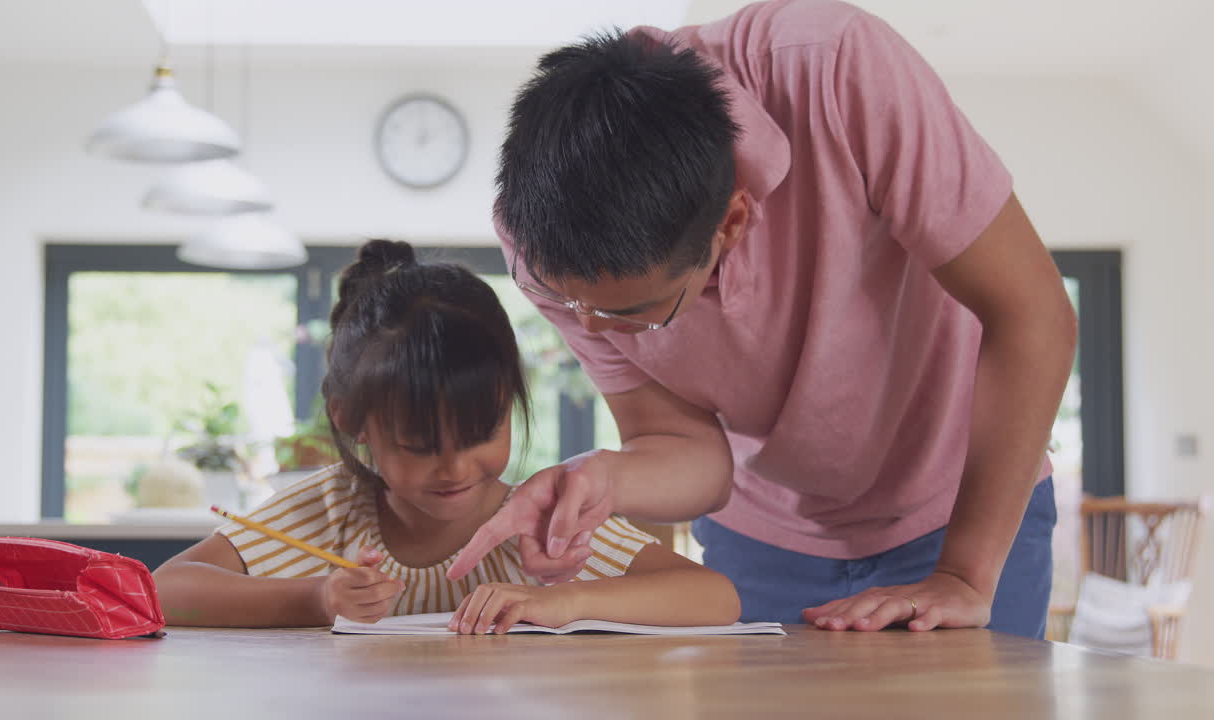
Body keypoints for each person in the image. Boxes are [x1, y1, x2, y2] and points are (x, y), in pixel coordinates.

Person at [448, 0, 1076, 639]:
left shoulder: (834, 70)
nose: (592, 328)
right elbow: (681, 446)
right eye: (571, 303)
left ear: (732, 222)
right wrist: (603, 477)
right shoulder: (542, 246)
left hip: (963, 506)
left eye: (630, 312)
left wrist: (965, 575)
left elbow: (1032, 314)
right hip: (764, 533)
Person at [153, 240, 740, 634]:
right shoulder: (331, 507)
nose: (456, 468)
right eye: (420, 445)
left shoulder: (537, 520)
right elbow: (165, 591)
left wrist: (562, 601)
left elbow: (715, 597)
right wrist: (316, 598)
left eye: (481, 433)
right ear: (351, 419)